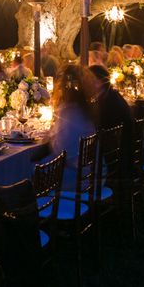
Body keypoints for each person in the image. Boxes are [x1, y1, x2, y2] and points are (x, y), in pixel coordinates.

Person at [48, 64, 95, 192]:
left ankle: (35, 210)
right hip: (93, 173)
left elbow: (62, 151)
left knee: (28, 172)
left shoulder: (68, 111)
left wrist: (51, 136)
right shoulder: (86, 108)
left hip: (78, 178)